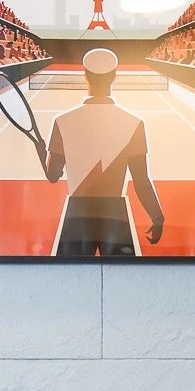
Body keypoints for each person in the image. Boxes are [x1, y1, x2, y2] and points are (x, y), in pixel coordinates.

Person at [45, 47, 164, 257]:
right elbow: (141, 179)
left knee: (71, 274)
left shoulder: (62, 121)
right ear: (114, 76)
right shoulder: (134, 123)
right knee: (123, 274)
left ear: (85, 76)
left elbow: (53, 176)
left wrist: (42, 154)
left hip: (77, 214)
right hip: (115, 214)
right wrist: (157, 217)